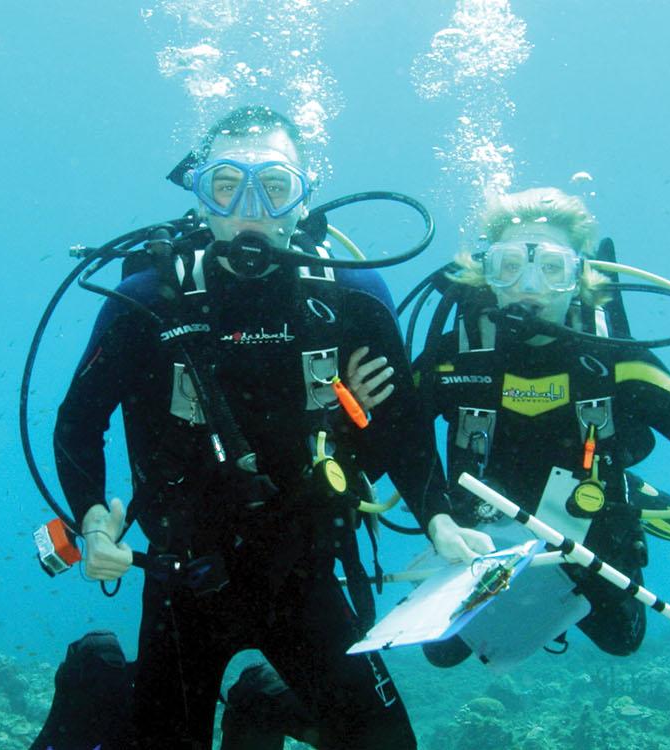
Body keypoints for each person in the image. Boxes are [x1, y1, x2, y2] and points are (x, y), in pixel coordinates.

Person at [49, 105, 475, 749]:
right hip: (182, 576)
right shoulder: (145, 299)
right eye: (226, 184)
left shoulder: (351, 296)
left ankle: (262, 704)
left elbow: (400, 425)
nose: (250, 205)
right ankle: (99, 679)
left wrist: (437, 517)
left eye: (275, 186)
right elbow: (78, 422)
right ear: (201, 196)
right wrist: (91, 518)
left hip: (304, 571)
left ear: (302, 200)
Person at [357, 185, 670, 667]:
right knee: (442, 654)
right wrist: (360, 410)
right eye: (509, 265)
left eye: (551, 268)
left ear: (578, 277)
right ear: (485, 274)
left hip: (587, 524)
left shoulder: (615, 362)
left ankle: (630, 491)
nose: (529, 286)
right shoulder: (454, 358)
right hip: (483, 532)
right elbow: (389, 450)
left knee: (621, 639)